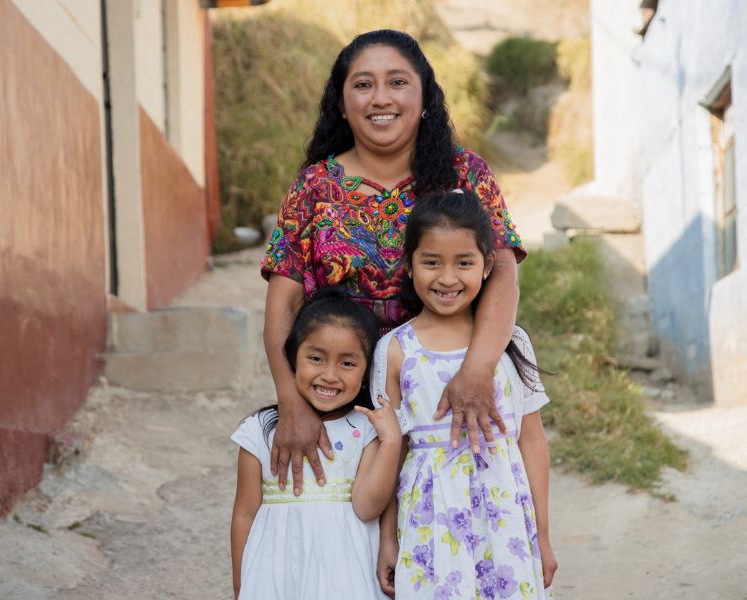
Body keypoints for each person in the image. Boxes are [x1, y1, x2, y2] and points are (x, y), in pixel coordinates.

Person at [261, 29, 527, 502]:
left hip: (446, 392)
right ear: (341, 104)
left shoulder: (466, 175)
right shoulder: (314, 187)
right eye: (363, 85)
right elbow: (284, 300)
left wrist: (477, 370)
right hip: (343, 400)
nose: (380, 97)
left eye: (397, 82)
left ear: (424, 96)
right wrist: (291, 402)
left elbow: (503, 272)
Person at [371, 190, 556, 598]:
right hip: (429, 524)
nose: (448, 278)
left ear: (488, 265)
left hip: (506, 521)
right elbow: (390, 450)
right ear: (409, 264)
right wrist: (387, 539)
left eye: (464, 262)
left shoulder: (510, 344)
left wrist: (541, 535)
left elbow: (532, 440)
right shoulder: (397, 350)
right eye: (431, 262)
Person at [230, 287, 403, 600]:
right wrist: (241, 585)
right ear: (293, 358)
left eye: (347, 364)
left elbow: (367, 507)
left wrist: (391, 442)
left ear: (367, 373)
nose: (329, 375)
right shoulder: (260, 431)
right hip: (277, 574)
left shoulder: (365, 429)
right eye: (315, 358)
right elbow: (244, 514)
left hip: (347, 578)